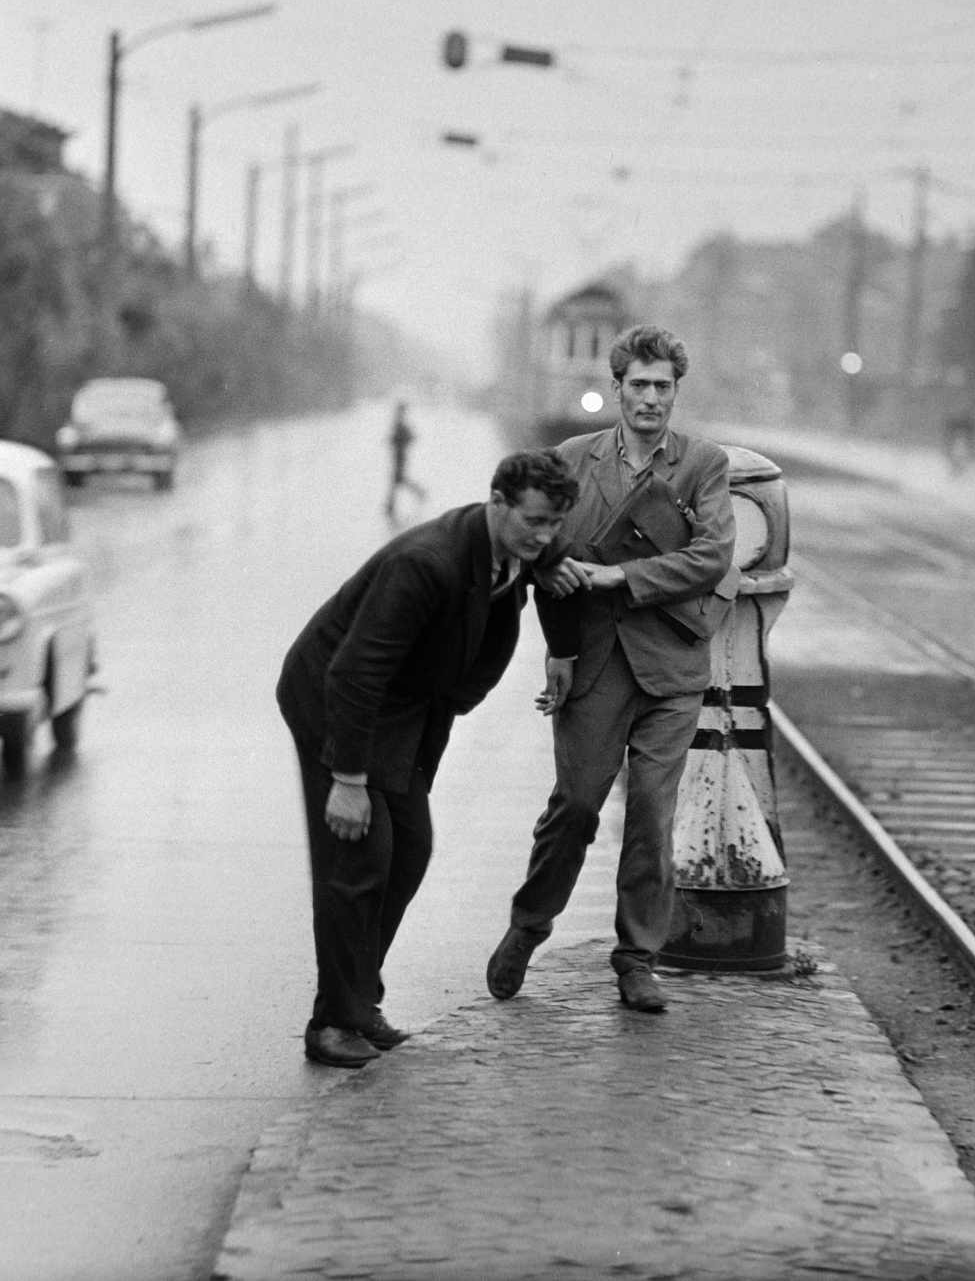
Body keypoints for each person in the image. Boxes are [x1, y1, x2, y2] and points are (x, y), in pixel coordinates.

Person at [277, 449, 579, 1067]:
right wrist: (349, 781)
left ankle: (357, 1002)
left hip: (400, 710)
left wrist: (558, 605)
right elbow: (353, 673)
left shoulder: (514, 544)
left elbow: (548, 560)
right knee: (359, 857)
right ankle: (332, 1022)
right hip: (335, 701)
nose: (546, 536)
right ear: (497, 503)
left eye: (555, 524)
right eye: (536, 522)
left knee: (407, 849)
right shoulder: (427, 563)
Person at [487, 324, 737, 1015]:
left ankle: (636, 959)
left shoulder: (703, 466)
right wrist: (558, 644)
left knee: (653, 815)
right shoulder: (572, 457)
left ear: (676, 392)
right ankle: (529, 924)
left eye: (663, 386)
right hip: (595, 664)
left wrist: (615, 575)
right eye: (638, 385)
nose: (650, 398)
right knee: (574, 806)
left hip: (672, 664)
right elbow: (542, 547)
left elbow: (711, 557)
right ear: (618, 386)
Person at [385, 401, 427, 519]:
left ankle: (390, 507)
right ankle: (390, 507)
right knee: (398, 480)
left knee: (397, 480)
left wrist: (397, 442)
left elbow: (410, 437)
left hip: (400, 456)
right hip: (398, 456)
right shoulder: (398, 423)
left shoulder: (401, 424)